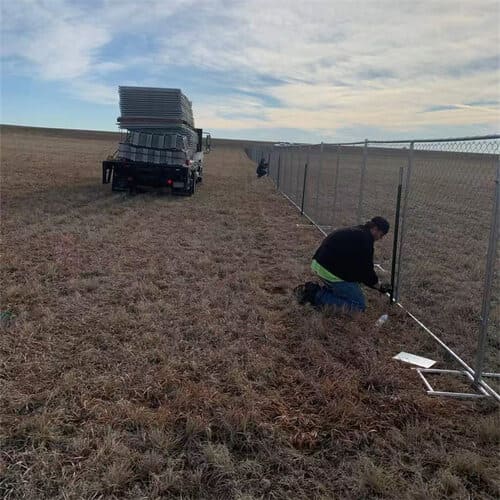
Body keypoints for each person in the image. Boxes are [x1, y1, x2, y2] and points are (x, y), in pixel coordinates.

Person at [294, 216, 392, 312]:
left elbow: (359, 269)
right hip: (328, 270)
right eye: (381, 234)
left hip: (319, 263)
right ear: (375, 229)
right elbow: (366, 271)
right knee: (358, 305)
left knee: (352, 286)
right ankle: (313, 295)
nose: (381, 238)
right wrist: (378, 286)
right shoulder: (365, 241)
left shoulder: (358, 231)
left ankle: (323, 291)